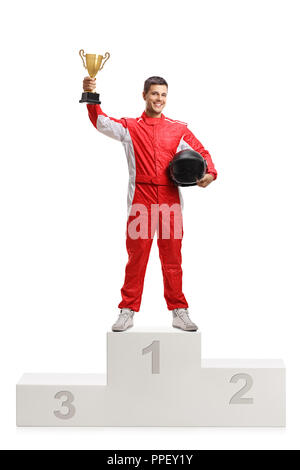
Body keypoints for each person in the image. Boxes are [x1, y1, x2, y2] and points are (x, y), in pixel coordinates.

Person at [82, 76, 217, 332]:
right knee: (137, 257)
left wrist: (210, 173)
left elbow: (202, 152)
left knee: (172, 258)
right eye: (155, 94)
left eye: (163, 95)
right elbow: (100, 121)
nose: (159, 100)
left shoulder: (178, 129)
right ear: (144, 95)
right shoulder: (130, 127)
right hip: (140, 202)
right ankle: (127, 309)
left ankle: (179, 310)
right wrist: (91, 95)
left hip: (170, 202)